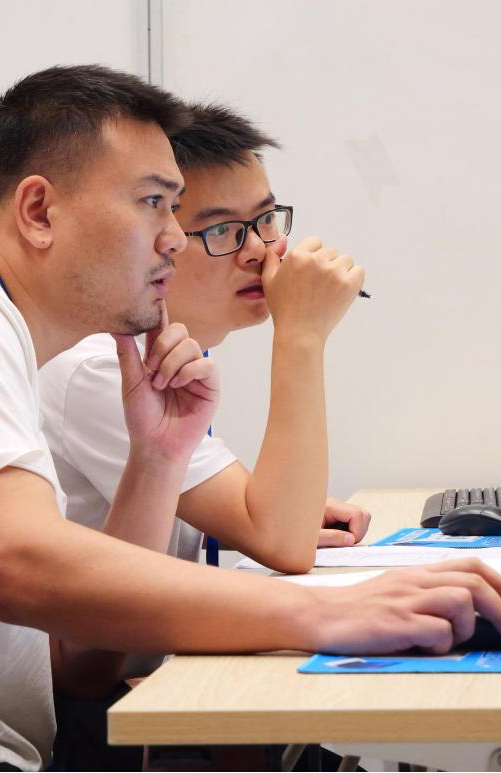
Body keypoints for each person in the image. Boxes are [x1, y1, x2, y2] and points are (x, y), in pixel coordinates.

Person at [0, 65, 501, 772]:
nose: (173, 237)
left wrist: (156, 458)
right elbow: (15, 563)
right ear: (39, 211)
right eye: (154, 202)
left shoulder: (4, 339)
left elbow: (81, 664)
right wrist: (324, 611)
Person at [40, 101, 372, 586]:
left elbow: (272, 524)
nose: (258, 250)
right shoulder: (101, 366)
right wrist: (301, 334)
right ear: (160, 237)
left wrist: (285, 508)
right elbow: (285, 542)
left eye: (266, 219)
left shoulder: (173, 349)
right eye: (222, 230)